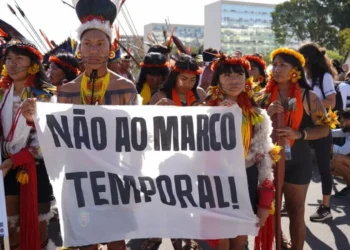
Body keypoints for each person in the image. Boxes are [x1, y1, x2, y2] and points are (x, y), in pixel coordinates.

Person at [22, 0, 139, 249]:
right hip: (80, 178)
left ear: (111, 48)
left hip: (116, 175)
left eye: (100, 44)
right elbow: (56, 136)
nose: (94, 50)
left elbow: (135, 135)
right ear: (79, 49)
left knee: (116, 241)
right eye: (87, 44)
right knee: (86, 241)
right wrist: (35, 118)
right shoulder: (66, 91)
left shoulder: (125, 88)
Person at [257, 48, 329, 250]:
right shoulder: (261, 95)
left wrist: (299, 134)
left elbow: (324, 129)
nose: (277, 69)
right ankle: (278, 243)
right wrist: (266, 113)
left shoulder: (310, 97)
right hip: (268, 161)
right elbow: (249, 129)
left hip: (298, 161)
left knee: (296, 210)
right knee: (268, 209)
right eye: (275, 64)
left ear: (295, 70)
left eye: (283, 65)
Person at [203, 54, 276, 250]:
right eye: (226, 75)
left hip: (247, 180)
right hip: (215, 183)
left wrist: (265, 203)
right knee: (220, 243)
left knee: (239, 241)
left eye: (239, 74)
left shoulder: (257, 115)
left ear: (247, 79)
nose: (234, 80)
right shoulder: (204, 112)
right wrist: (217, 117)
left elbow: (264, 159)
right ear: (217, 79)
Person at [0, 37, 56, 250]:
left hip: (36, 167)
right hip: (5, 166)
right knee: (9, 230)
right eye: (8, 59)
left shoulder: (46, 97)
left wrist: (34, 120)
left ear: (33, 64)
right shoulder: (1, 94)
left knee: (37, 228)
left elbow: (49, 139)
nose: (12, 64)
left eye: (19, 58)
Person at [298, 43, 338, 222]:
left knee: (323, 167)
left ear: (308, 58)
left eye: (301, 57)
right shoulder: (302, 75)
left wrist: (314, 103)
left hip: (321, 125)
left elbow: (332, 101)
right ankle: (292, 204)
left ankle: (326, 207)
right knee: (299, 165)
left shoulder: (325, 76)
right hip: (304, 127)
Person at [331, 108, 350, 198]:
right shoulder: (348, 130)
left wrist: (327, 146)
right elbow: (333, 133)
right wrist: (319, 133)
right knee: (331, 167)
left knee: (337, 159)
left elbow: (342, 151)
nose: (341, 125)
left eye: (343, 122)